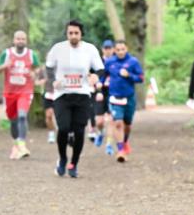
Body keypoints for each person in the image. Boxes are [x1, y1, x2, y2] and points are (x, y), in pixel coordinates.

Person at [45, 20, 104, 178]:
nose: (73, 36)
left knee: (79, 131)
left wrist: (95, 77)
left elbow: (100, 69)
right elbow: (49, 67)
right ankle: (63, 159)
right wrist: (53, 81)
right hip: (62, 95)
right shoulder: (58, 49)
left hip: (82, 95)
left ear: (81, 34)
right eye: (70, 33)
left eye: (76, 33)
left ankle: (74, 163)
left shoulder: (90, 49)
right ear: (66, 34)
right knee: (63, 128)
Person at [0, 30, 41, 160]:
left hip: (25, 91)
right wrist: (5, 66)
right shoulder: (7, 54)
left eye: (23, 39)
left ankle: (22, 145)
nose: (20, 41)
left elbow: (38, 68)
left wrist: (34, 73)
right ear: (14, 40)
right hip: (10, 93)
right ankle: (16, 145)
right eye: (18, 39)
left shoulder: (31, 54)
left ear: (26, 41)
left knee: (22, 116)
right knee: (13, 120)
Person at [104, 39, 144, 163]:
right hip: (115, 97)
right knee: (118, 123)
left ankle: (125, 141)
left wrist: (129, 75)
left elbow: (141, 78)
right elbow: (103, 76)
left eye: (123, 49)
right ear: (114, 50)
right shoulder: (110, 62)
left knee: (127, 125)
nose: (120, 52)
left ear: (127, 49)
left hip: (129, 97)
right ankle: (120, 150)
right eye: (118, 50)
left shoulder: (133, 62)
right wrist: (100, 84)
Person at [93, 40, 114, 150]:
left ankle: (109, 144)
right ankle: (100, 132)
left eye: (110, 48)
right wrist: (98, 90)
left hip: (112, 93)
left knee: (110, 120)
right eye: (106, 48)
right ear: (102, 49)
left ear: (113, 49)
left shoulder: (116, 62)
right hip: (99, 93)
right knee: (99, 121)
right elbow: (92, 77)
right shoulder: (97, 62)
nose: (108, 50)